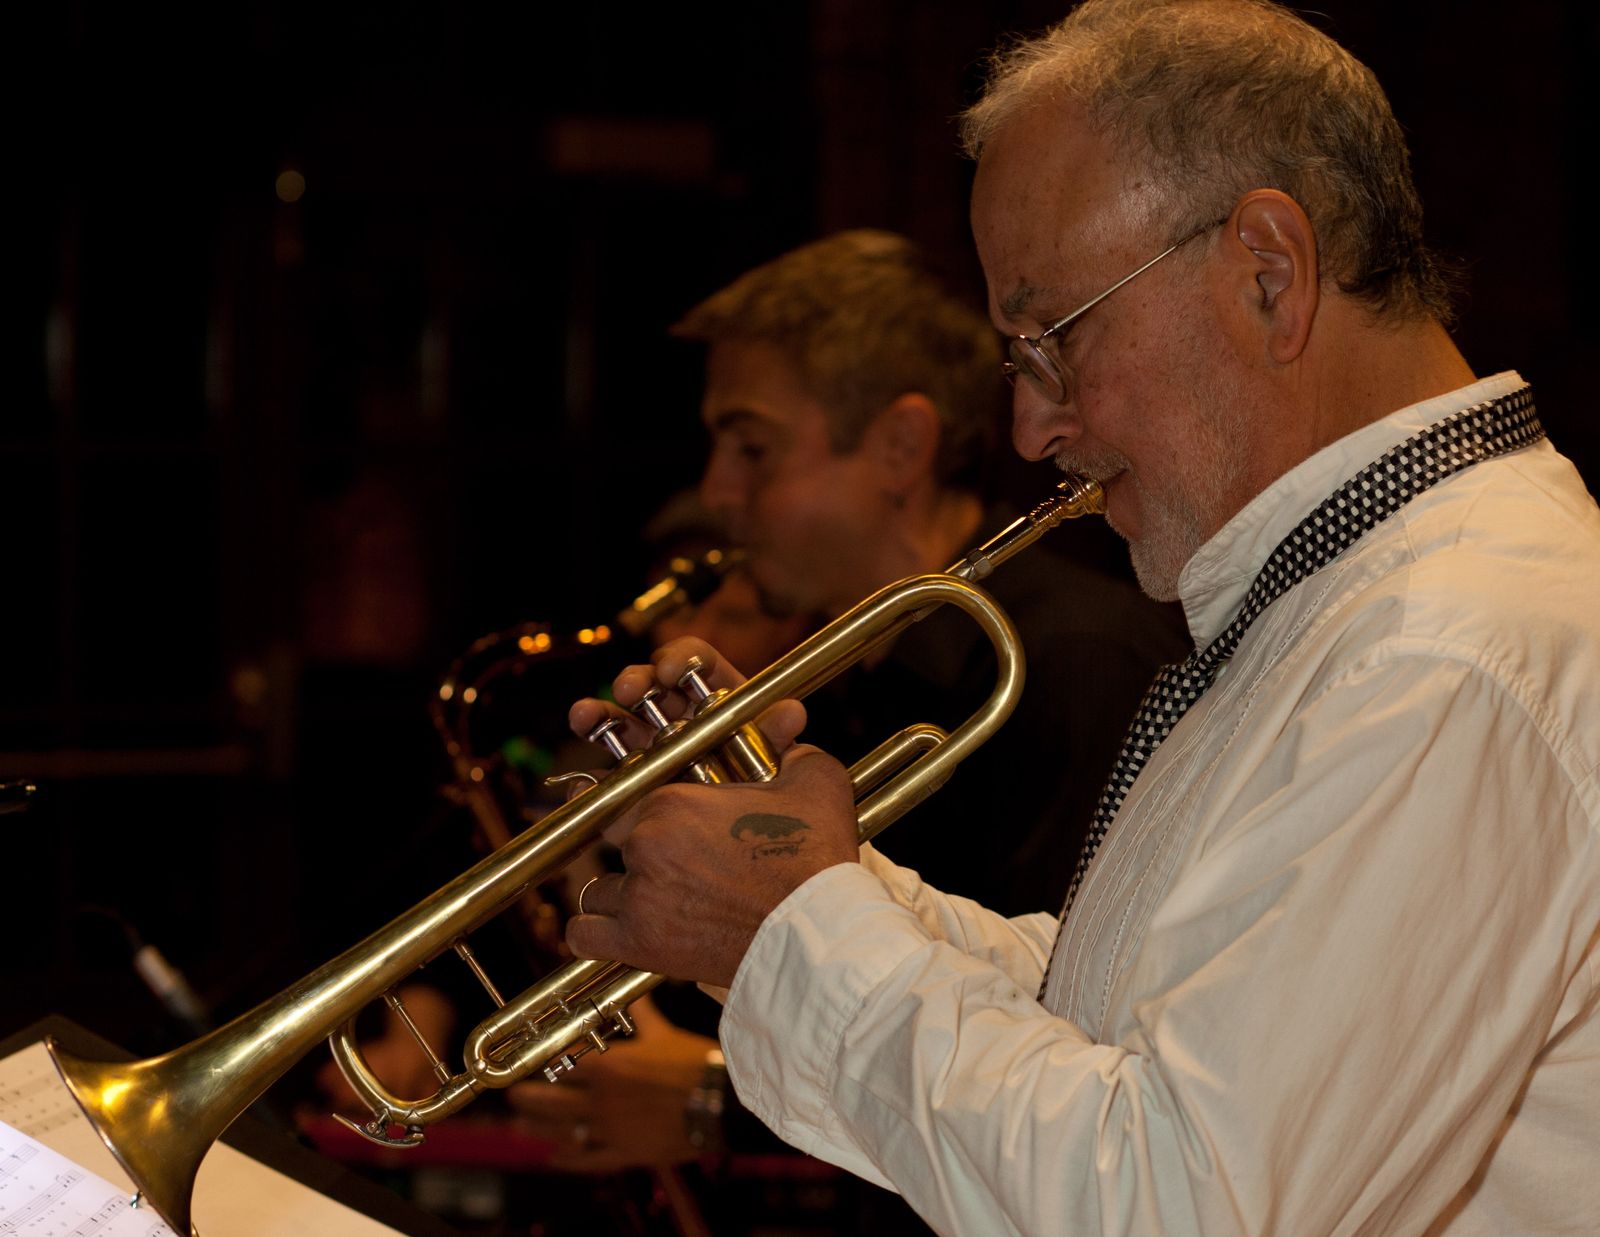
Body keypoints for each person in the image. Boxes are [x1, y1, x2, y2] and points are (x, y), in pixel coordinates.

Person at [561, 1, 1600, 1233]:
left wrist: (792, 928)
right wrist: (799, 879)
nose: (1029, 429)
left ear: (1268, 274)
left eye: (1051, 337)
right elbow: (1119, 1024)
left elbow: (1174, 1201)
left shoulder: (1443, 647)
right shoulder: (1368, 599)